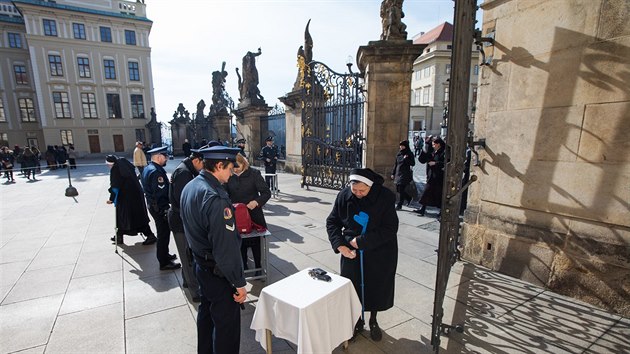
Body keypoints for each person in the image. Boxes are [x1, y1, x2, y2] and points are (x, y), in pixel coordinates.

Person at [180, 146, 247, 354]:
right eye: (229, 168)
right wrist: (239, 283)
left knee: (207, 316)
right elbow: (225, 248)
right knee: (226, 328)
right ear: (218, 165)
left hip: (202, 265)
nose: (231, 173)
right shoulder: (216, 198)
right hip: (219, 273)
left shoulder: (191, 186)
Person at [326, 168, 399, 342]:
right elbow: (332, 222)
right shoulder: (344, 196)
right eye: (354, 190)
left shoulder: (385, 197)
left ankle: (373, 320)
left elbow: (390, 229)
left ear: (370, 187)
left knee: (376, 287)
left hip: (379, 250)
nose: (358, 194)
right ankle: (357, 321)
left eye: (362, 191)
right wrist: (339, 245)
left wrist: (362, 241)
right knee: (353, 287)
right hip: (351, 250)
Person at [168, 143, 218, 302]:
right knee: (188, 257)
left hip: (182, 219)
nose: (203, 168)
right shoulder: (184, 173)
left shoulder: (186, 169)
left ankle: (186, 282)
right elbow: (185, 202)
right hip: (180, 221)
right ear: (197, 160)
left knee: (186, 255)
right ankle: (195, 291)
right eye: (203, 164)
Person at [226, 153, 271, 275]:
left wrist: (256, 202)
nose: (235, 169)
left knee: (256, 243)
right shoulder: (228, 175)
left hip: (253, 213)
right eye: (233, 166)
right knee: (240, 242)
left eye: (238, 165)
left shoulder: (254, 174)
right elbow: (225, 194)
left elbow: (266, 193)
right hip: (237, 214)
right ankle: (244, 265)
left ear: (244, 163)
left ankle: (258, 266)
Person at [142, 146, 180, 270]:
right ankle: (163, 262)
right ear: (159, 157)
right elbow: (160, 193)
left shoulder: (148, 168)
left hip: (153, 206)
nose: (167, 159)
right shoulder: (157, 172)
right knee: (163, 234)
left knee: (164, 233)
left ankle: (165, 255)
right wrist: (165, 209)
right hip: (159, 208)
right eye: (165, 157)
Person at [106, 155, 157, 245]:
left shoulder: (116, 169)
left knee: (127, 218)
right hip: (136, 196)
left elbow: (115, 186)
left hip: (125, 198)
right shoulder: (125, 165)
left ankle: (150, 236)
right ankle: (119, 236)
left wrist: (111, 199)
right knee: (134, 217)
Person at [417, 137, 446, 216]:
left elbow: (446, 163)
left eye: (434, 144)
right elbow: (422, 160)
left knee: (438, 194)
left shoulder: (443, 152)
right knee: (427, 192)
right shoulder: (432, 151)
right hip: (431, 176)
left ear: (438, 144)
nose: (433, 146)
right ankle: (422, 209)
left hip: (439, 177)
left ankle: (441, 212)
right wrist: (424, 150)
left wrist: (435, 163)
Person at [391, 140, 416, 210]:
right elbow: (396, 164)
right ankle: (408, 198)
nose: (401, 147)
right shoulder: (399, 153)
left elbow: (413, 163)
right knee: (398, 189)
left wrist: (406, 159)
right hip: (398, 173)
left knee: (401, 189)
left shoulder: (409, 153)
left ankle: (399, 204)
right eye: (400, 145)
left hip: (405, 174)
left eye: (402, 146)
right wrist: (393, 173)